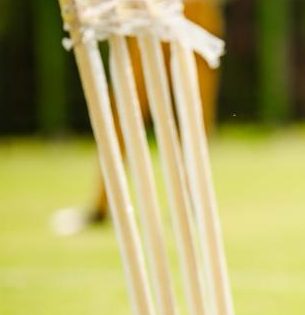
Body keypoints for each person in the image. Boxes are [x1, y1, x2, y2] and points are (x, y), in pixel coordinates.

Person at [50, 0, 224, 236]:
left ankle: (194, 202)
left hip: (195, 8)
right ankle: (104, 202)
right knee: (127, 100)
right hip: (150, 8)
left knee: (194, 107)